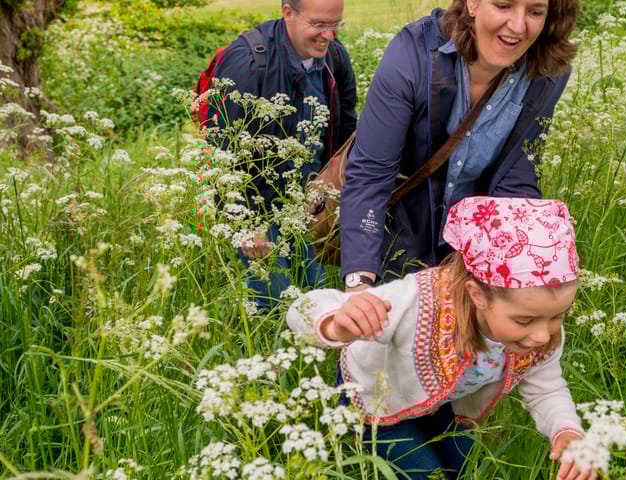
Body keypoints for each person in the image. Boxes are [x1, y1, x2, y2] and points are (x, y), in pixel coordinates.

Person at [288, 197, 595, 480]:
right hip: (377, 400)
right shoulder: (420, 302)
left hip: (442, 401)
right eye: (524, 320)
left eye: (557, 316)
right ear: (478, 295)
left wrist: (565, 431)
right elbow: (302, 308)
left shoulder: (538, 328)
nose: (543, 333)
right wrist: (335, 324)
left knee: (467, 470)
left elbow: (546, 389)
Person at [338, 0, 578, 291]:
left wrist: (533, 235)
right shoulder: (413, 55)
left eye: (535, 12)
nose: (518, 26)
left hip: (474, 248)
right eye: (503, 6)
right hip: (397, 237)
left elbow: (517, 173)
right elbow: (370, 175)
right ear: (472, 3)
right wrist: (359, 283)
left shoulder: (548, 72)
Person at [208, 0, 358, 309]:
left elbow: (346, 124)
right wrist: (243, 224)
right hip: (259, 207)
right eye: (318, 25)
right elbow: (224, 150)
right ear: (288, 12)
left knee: (317, 298)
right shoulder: (248, 62)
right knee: (272, 305)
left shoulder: (334, 57)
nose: (329, 36)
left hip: (310, 204)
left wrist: (341, 188)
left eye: (336, 25)